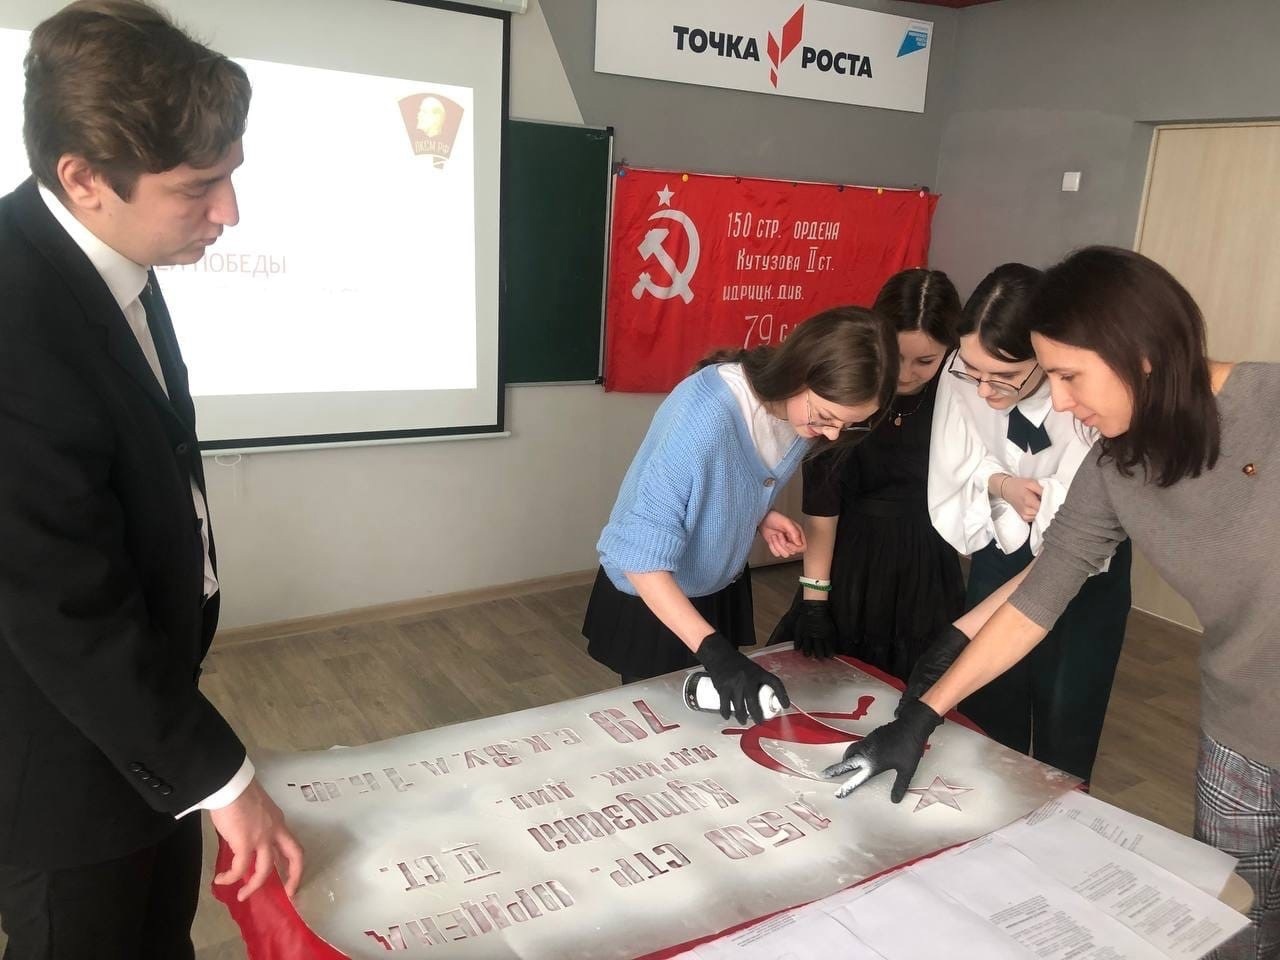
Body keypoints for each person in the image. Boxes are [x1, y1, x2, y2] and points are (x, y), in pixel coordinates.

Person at [825, 246, 1278, 959]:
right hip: (1243, 728)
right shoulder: (1115, 464)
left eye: (1068, 376)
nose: (1061, 403)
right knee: (1243, 925)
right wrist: (922, 714)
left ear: (1140, 352)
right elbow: (1042, 592)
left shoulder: (1270, 405)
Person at [0, 3, 301, 957]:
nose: (230, 213)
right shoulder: (12, 316)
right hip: (56, 760)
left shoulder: (109, 255)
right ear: (84, 178)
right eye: (199, 187)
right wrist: (223, 779)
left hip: (147, 723)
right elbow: (61, 606)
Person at [583, 307, 897, 723]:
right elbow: (639, 556)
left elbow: (720, 478)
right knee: (660, 731)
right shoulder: (705, 414)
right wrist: (715, 652)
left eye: (848, 425)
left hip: (716, 588)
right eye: (826, 417)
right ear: (799, 371)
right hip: (657, 597)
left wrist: (758, 514)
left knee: (709, 728)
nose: (832, 434)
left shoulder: (794, 411)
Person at [926, 262, 1131, 784]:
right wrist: (1002, 484)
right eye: (973, 372)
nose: (984, 390)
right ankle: (986, 803)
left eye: (1004, 376)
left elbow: (1094, 496)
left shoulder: (1086, 393)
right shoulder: (963, 372)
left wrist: (1048, 498)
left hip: (1087, 560)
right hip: (1001, 539)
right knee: (991, 694)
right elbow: (955, 459)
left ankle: (1060, 811)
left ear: (1045, 354)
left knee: (1069, 702)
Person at [767, 269, 965, 681]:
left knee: (920, 684)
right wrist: (815, 602)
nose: (906, 374)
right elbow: (822, 510)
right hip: (852, 558)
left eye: (925, 361)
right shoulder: (849, 392)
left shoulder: (957, 395)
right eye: (897, 357)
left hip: (926, 562)